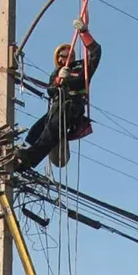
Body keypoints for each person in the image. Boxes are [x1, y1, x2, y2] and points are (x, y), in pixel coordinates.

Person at [14, 18, 101, 173]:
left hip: (71, 107)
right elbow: (51, 90)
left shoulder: (82, 67)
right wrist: (58, 79)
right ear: (58, 58)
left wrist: (84, 33)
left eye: (69, 53)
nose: (66, 56)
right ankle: (23, 159)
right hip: (56, 107)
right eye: (63, 54)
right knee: (36, 131)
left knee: (51, 133)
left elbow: (96, 52)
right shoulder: (55, 73)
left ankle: (29, 157)